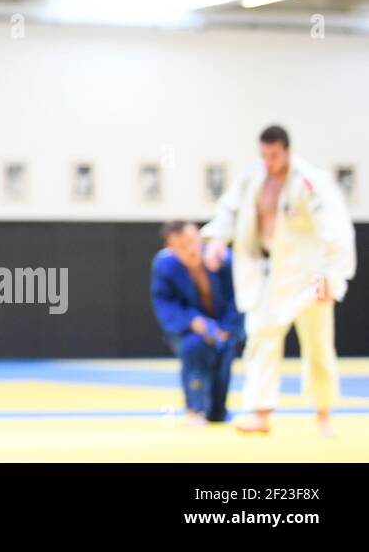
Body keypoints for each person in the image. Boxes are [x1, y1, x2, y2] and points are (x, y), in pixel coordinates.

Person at [202, 125, 356, 435]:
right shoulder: (252, 177)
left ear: (286, 151)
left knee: (318, 344)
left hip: (311, 274)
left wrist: (331, 276)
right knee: (260, 337)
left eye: (274, 155)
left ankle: (323, 415)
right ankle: (261, 413)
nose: (269, 162)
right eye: (264, 155)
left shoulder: (311, 182)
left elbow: (336, 231)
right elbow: (229, 210)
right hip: (268, 271)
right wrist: (218, 239)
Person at [151, 220, 243, 424]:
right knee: (194, 347)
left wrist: (227, 329)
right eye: (182, 246)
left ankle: (217, 410)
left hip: (224, 326)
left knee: (224, 356)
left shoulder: (223, 259)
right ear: (171, 248)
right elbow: (164, 302)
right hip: (188, 329)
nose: (191, 249)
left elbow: (237, 297)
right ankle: (194, 408)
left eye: (193, 241)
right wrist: (192, 321)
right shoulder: (165, 264)